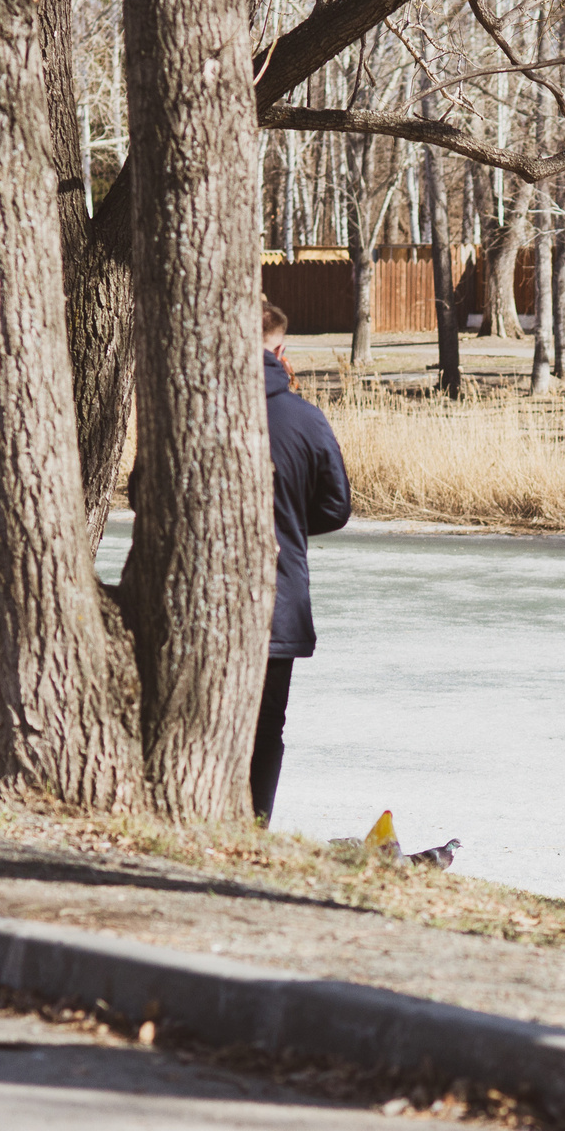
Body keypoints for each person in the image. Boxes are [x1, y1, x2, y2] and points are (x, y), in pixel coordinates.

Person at [252, 296, 351, 825]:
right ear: (280, 347)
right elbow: (336, 508)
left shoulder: (197, 408)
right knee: (267, 727)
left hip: (196, 597)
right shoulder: (306, 419)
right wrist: (286, 522)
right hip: (277, 598)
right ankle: (253, 824)